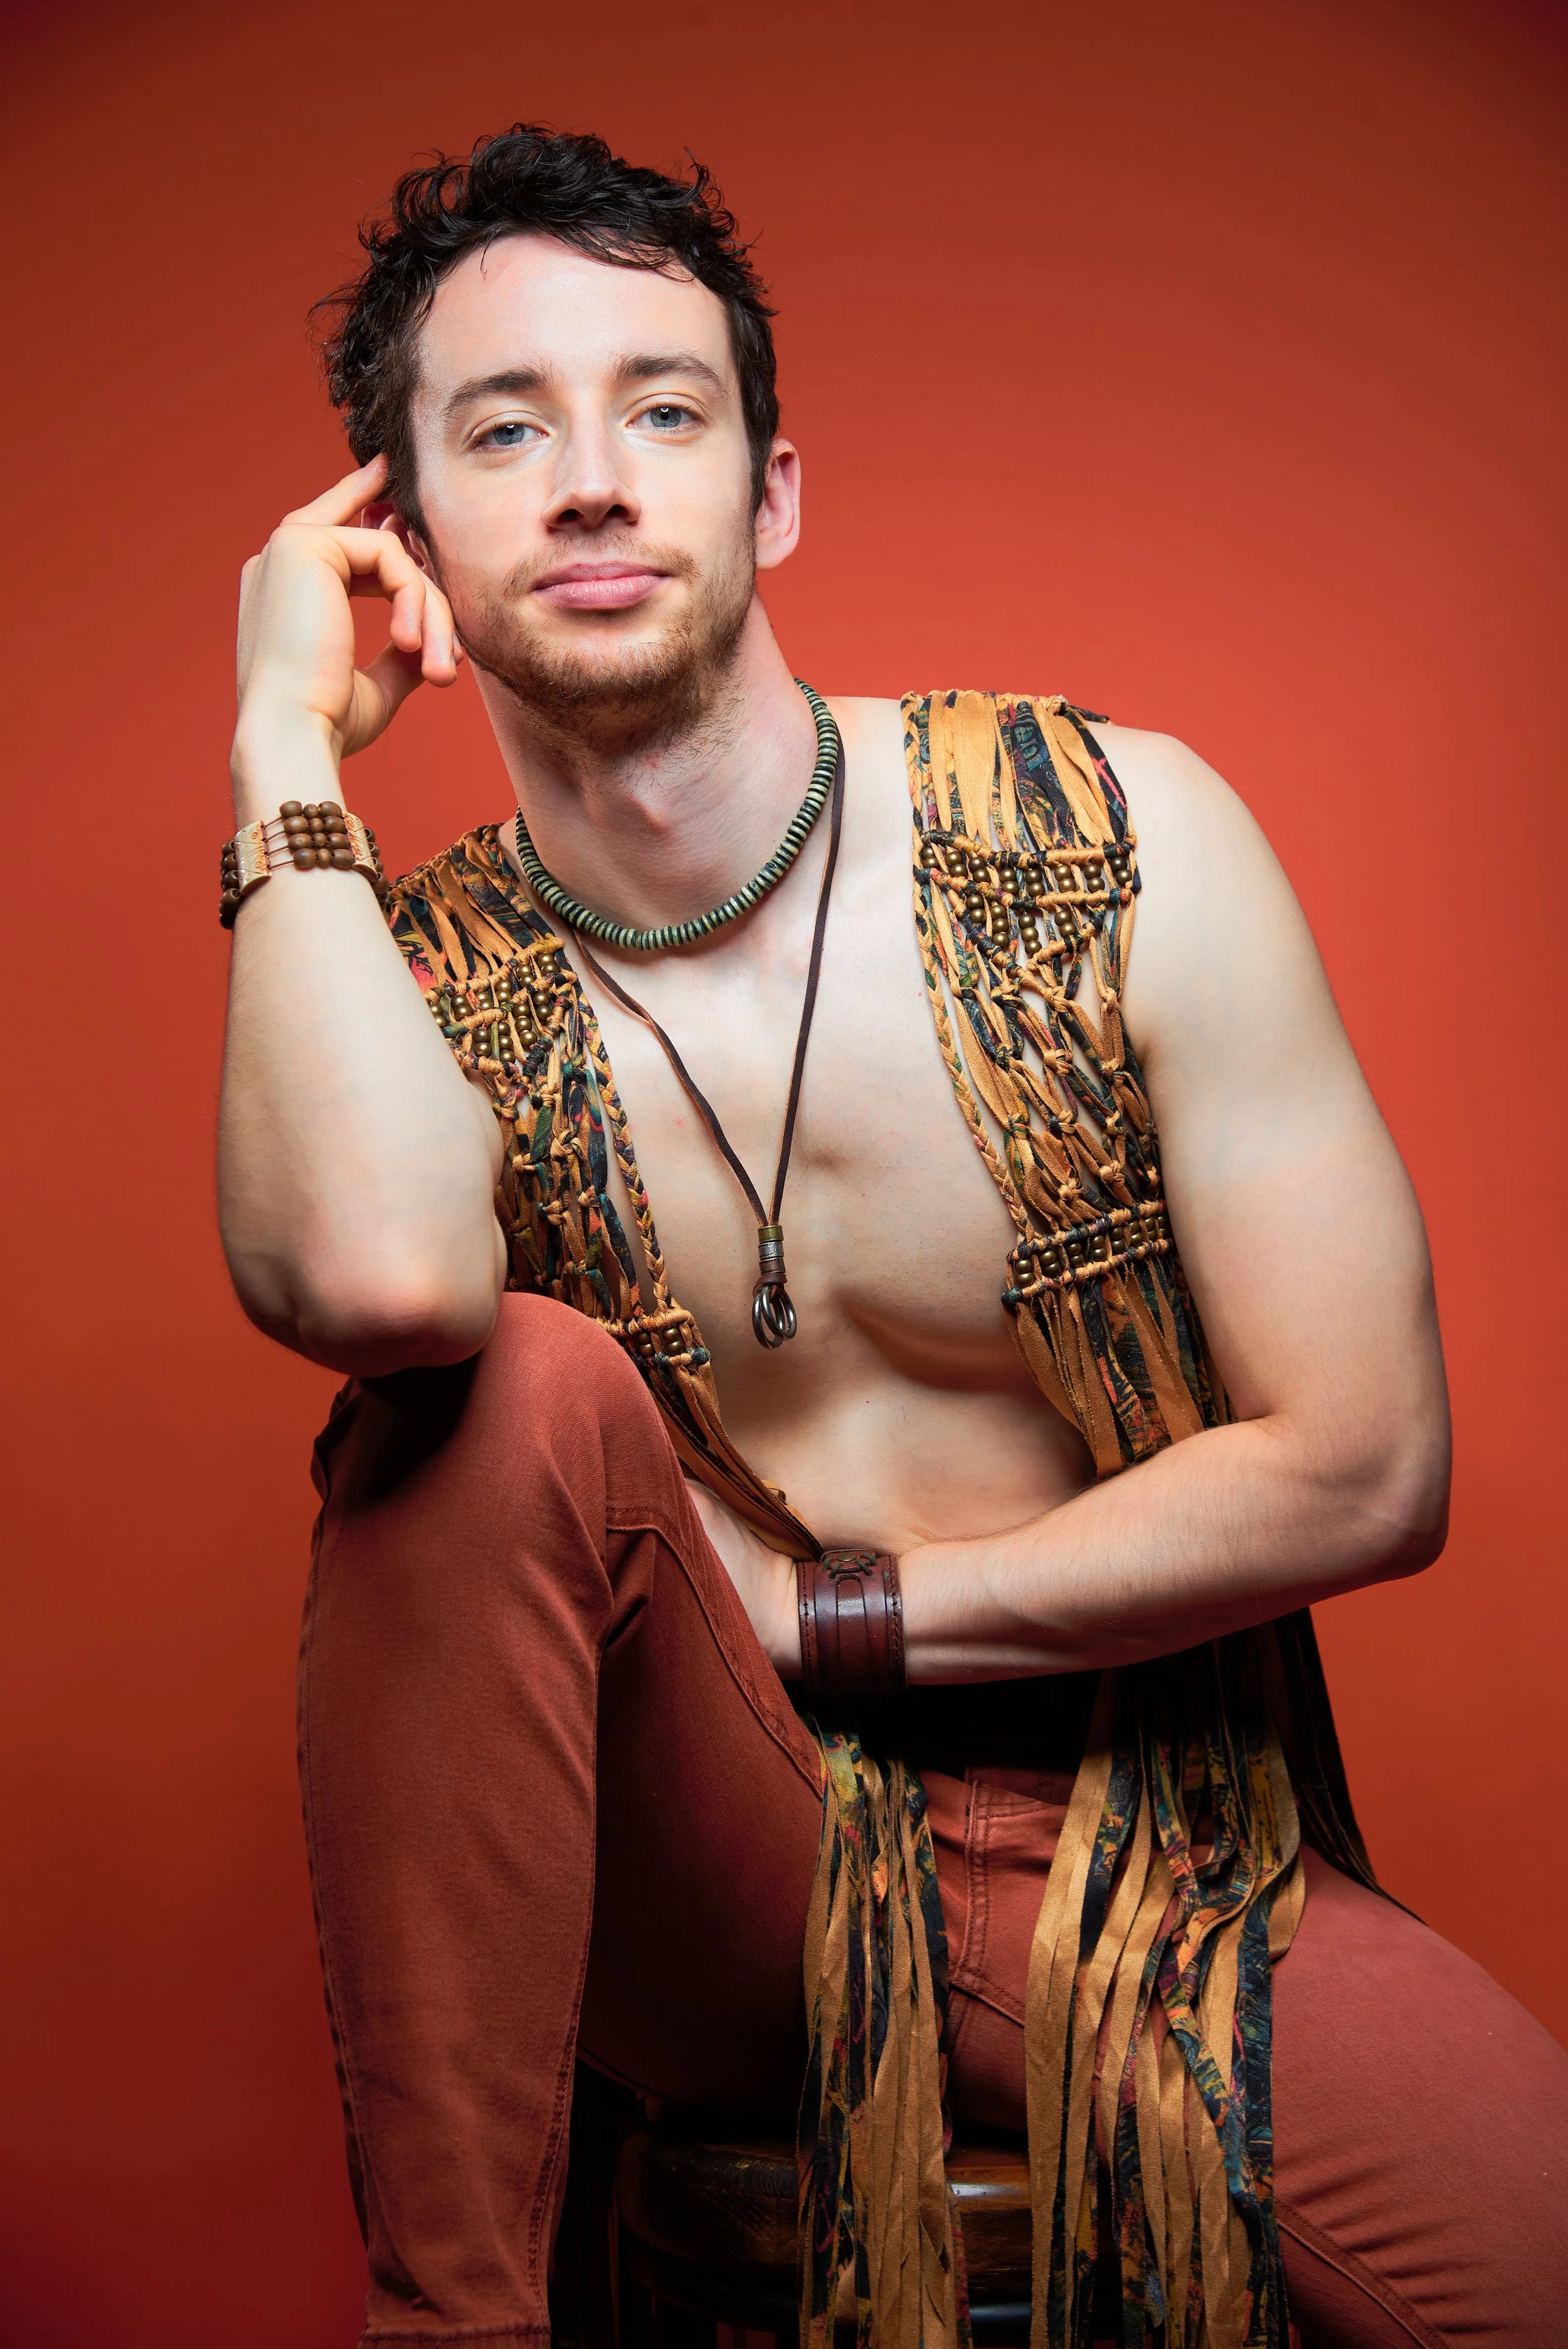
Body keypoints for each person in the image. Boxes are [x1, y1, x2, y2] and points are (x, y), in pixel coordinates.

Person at [217, 126, 1567, 2349]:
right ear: (410, 552)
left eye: (663, 409)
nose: (589, 480)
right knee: (501, 1393)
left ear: (770, 497)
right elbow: (374, 1293)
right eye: (501, 429)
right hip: (715, 1855)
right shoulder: (407, 973)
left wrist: (828, 1612)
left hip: (1136, 1839)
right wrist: (285, 740)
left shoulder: (1108, 840)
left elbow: (1365, 1463)